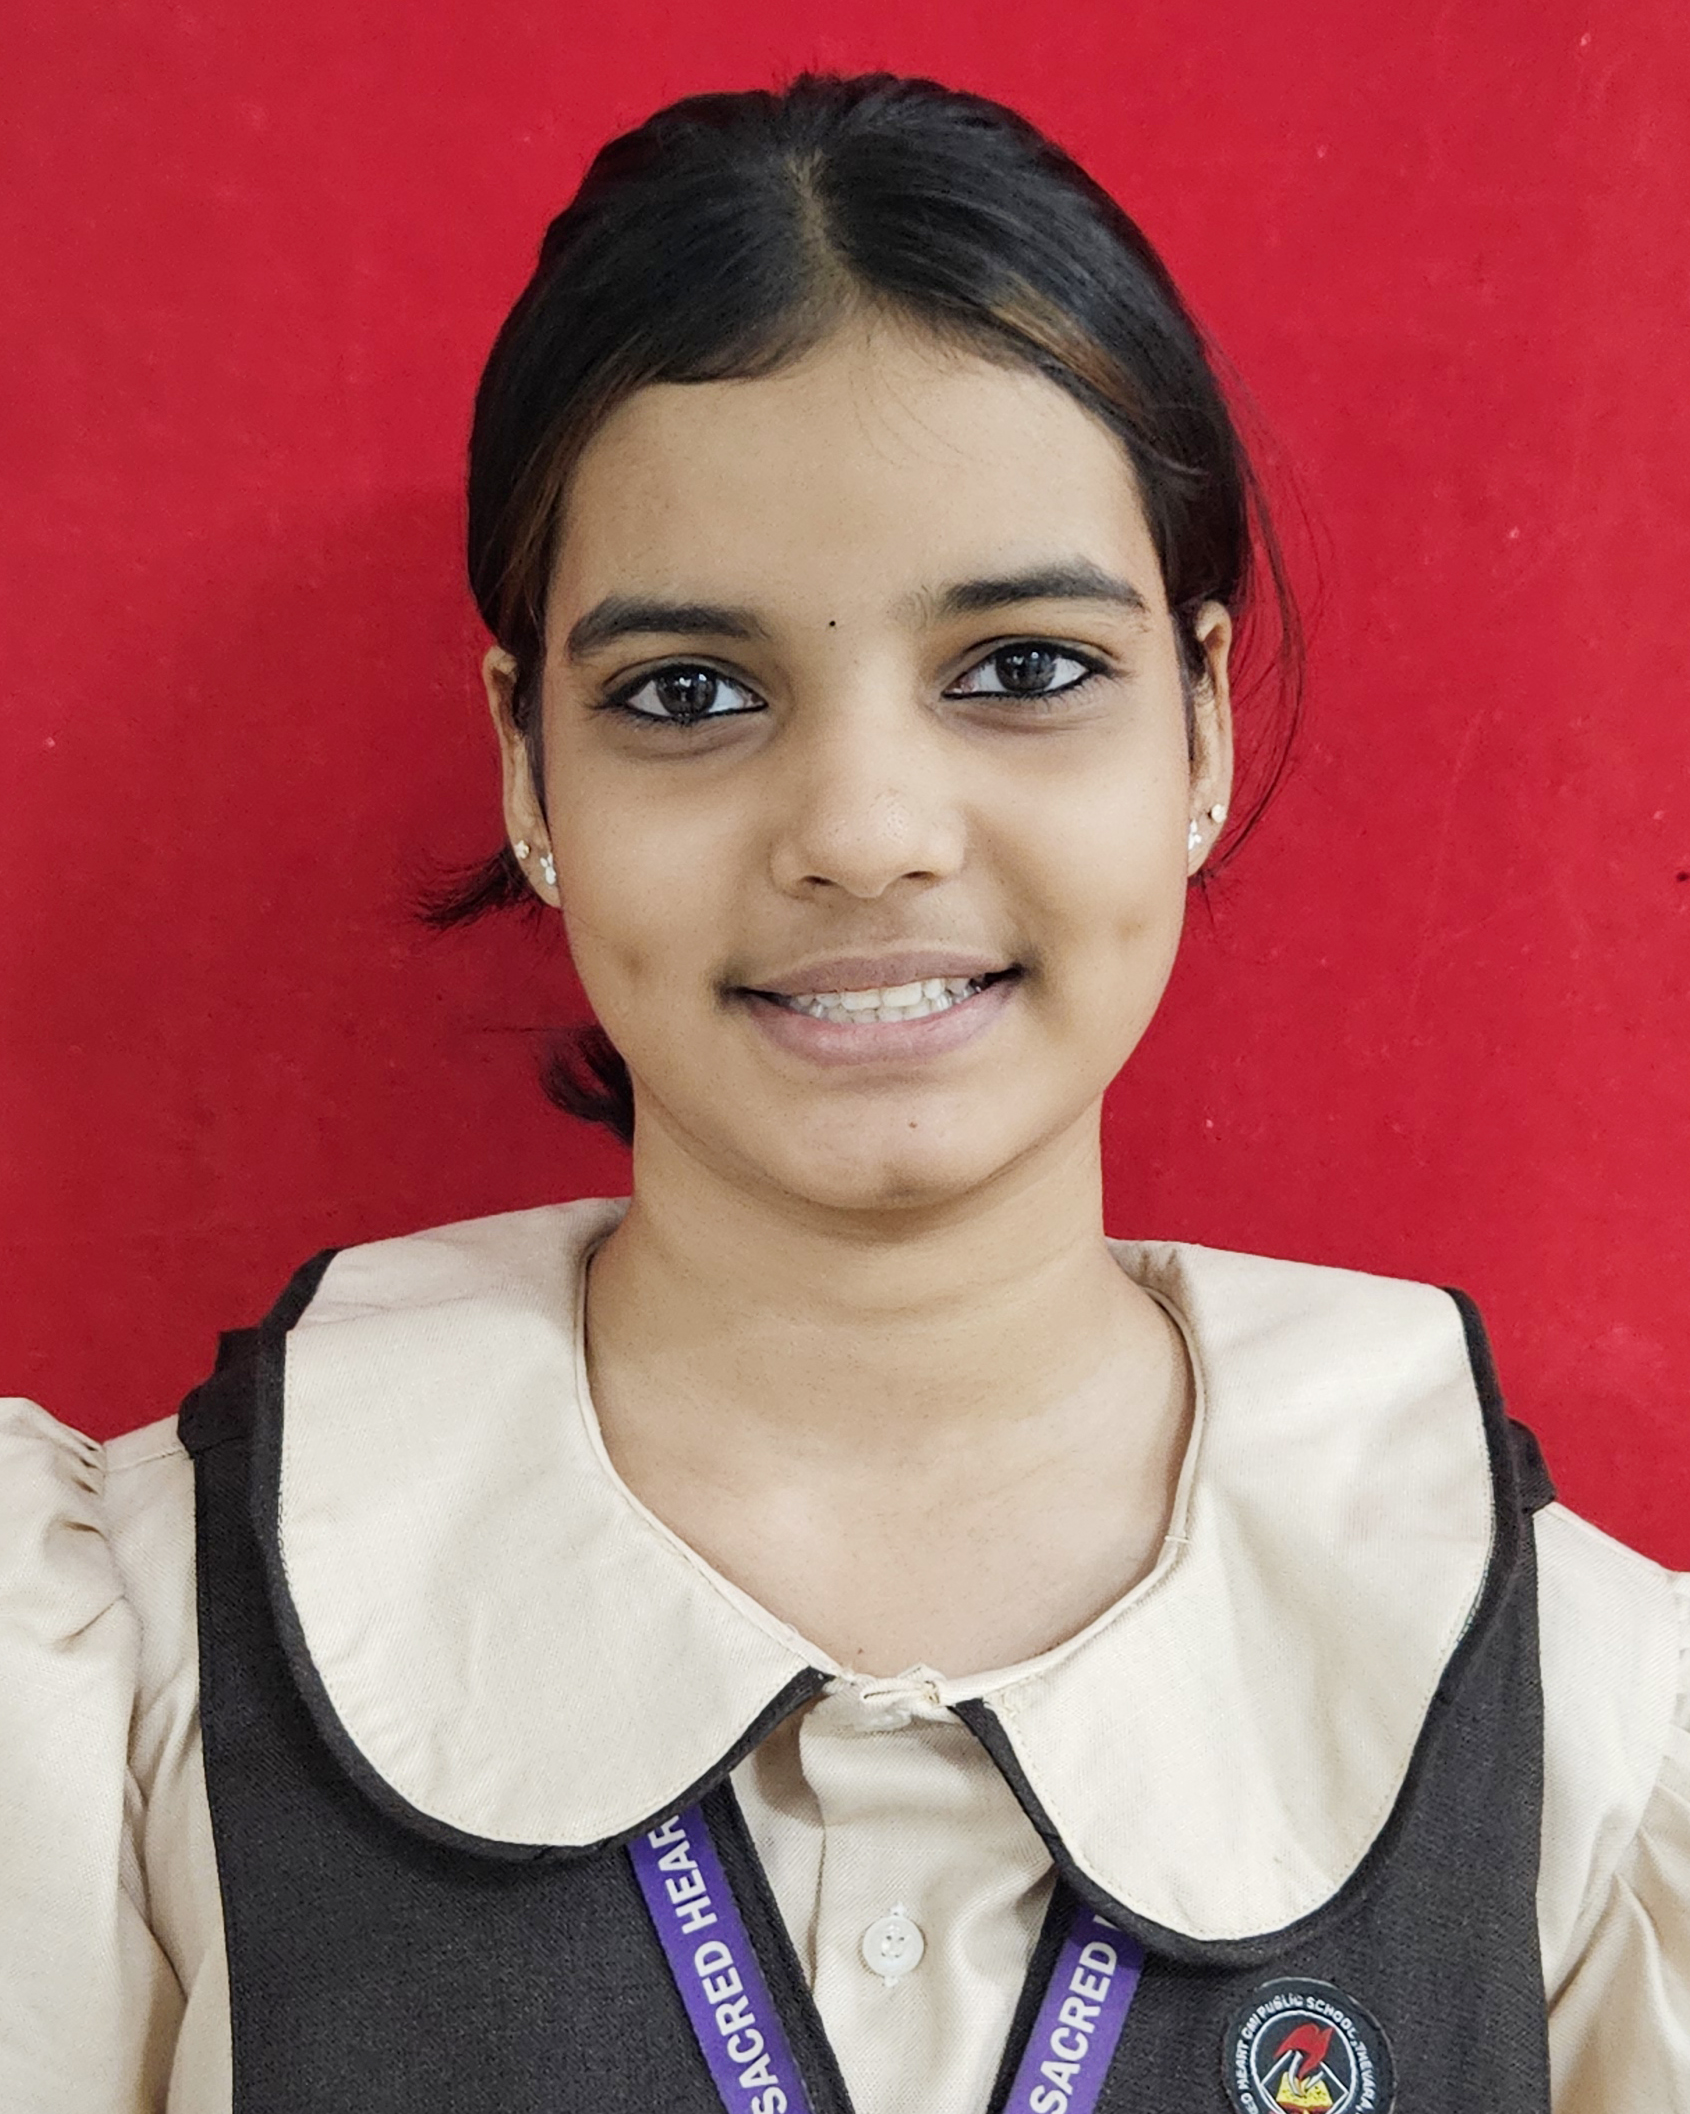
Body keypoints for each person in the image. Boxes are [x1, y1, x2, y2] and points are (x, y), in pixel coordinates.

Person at [1, 70, 1685, 2114]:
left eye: (1022, 667)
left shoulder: (1582, 1723)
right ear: (529, 767)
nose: (865, 832)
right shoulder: (130, 1671)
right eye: (687, 693)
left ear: (1200, 727)